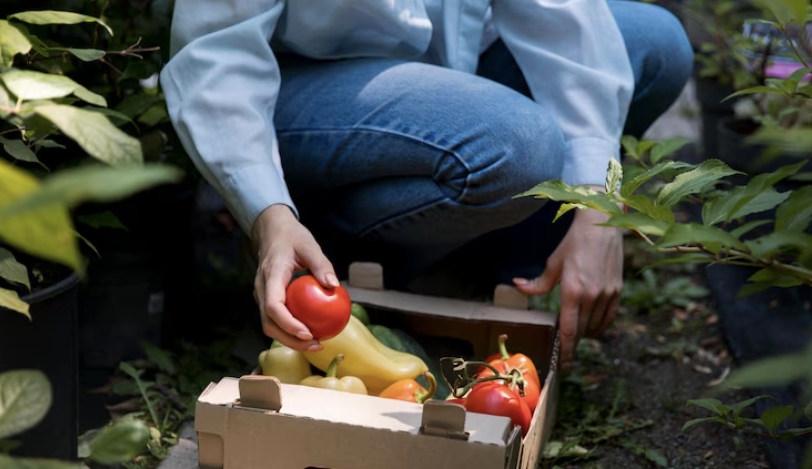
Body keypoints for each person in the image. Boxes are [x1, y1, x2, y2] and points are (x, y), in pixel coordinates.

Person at [160, 0, 694, 368]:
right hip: (298, 88)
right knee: (517, 145)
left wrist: (597, 202)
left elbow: (564, 17)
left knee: (655, 44)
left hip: (453, 79)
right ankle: (331, 257)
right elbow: (218, 51)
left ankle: (495, 269)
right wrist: (268, 213)